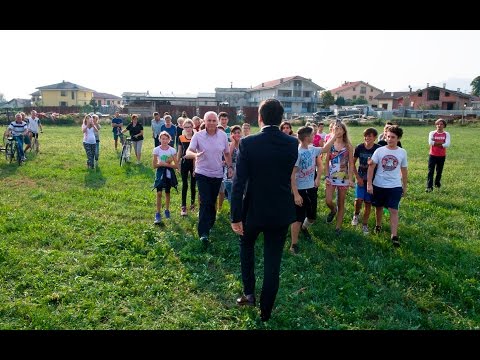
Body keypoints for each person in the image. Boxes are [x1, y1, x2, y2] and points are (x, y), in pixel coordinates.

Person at [230, 99, 298, 323]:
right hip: (279, 210)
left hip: (253, 210)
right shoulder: (291, 143)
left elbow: (238, 183)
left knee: (246, 247)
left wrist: (235, 216)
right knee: (272, 262)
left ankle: (249, 293)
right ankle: (266, 311)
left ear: (259, 118)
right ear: (281, 119)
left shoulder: (248, 143)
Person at [185, 111, 232, 246]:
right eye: (209, 120)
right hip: (202, 173)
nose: (211, 123)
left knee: (211, 201)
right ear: (204, 122)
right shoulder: (198, 136)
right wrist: (195, 155)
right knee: (205, 201)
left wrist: (229, 167)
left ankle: (210, 222)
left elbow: (227, 153)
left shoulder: (222, 135)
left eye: (213, 120)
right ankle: (203, 233)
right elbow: (188, 152)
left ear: (217, 122)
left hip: (217, 174)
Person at [290, 126, 333, 254]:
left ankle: (304, 228)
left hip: (311, 189)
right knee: (297, 218)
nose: (314, 137)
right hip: (300, 190)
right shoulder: (297, 153)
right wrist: (296, 194)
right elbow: (292, 176)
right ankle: (294, 244)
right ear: (306, 137)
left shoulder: (312, 149)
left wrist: (334, 136)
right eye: (312, 135)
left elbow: (325, 148)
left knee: (312, 217)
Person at [367, 125, 408, 247]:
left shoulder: (402, 152)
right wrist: (369, 183)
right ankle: (378, 225)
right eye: (388, 136)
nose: (390, 139)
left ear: (399, 138)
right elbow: (371, 167)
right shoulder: (380, 150)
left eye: (393, 137)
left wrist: (404, 186)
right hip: (379, 184)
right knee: (378, 207)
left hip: (395, 186)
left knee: (393, 210)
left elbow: (404, 170)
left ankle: (394, 235)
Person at [324, 121, 355, 235]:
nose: (337, 130)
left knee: (341, 202)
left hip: (344, 177)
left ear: (344, 131)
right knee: (328, 200)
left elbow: (351, 164)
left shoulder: (348, 146)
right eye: (335, 128)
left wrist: (350, 179)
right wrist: (326, 176)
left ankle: (338, 227)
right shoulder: (330, 145)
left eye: (340, 128)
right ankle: (333, 210)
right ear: (332, 131)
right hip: (331, 177)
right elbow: (326, 162)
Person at [351, 127, 381, 234]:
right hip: (360, 178)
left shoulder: (378, 149)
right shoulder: (359, 147)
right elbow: (352, 164)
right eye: (366, 135)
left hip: (373, 180)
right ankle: (356, 214)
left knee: (368, 202)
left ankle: (365, 224)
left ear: (375, 138)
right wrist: (357, 177)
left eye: (370, 136)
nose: (367, 138)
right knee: (359, 199)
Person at [152, 131, 178, 224]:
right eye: (162, 138)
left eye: (166, 139)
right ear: (160, 139)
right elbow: (154, 165)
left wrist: (167, 164)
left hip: (169, 173)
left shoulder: (172, 150)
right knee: (159, 193)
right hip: (160, 172)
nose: (164, 140)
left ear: (169, 140)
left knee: (167, 192)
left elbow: (176, 166)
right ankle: (158, 213)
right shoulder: (156, 150)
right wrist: (161, 164)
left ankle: (167, 210)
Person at [177, 119, 196, 216]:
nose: (188, 129)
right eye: (186, 127)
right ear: (183, 128)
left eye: (189, 126)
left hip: (194, 162)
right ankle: (183, 206)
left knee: (193, 184)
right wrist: (177, 163)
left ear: (192, 127)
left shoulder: (196, 137)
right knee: (185, 184)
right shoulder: (181, 137)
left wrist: (195, 167)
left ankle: (192, 204)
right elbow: (180, 151)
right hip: (184, 162)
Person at [426, 118, 450, 192]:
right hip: (432, 155)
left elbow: (447, 144)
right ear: (436, 125)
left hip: (442, 156)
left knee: (439, 171)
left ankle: (437, 184)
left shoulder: (446, 134)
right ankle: (429, 187)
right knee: (430, 171)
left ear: (444, 125)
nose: (439, 125)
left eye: (441, 124)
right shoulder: (432, 133)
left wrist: (436, 142)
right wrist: (442, 142)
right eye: (438, 124)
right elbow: (430, 143)